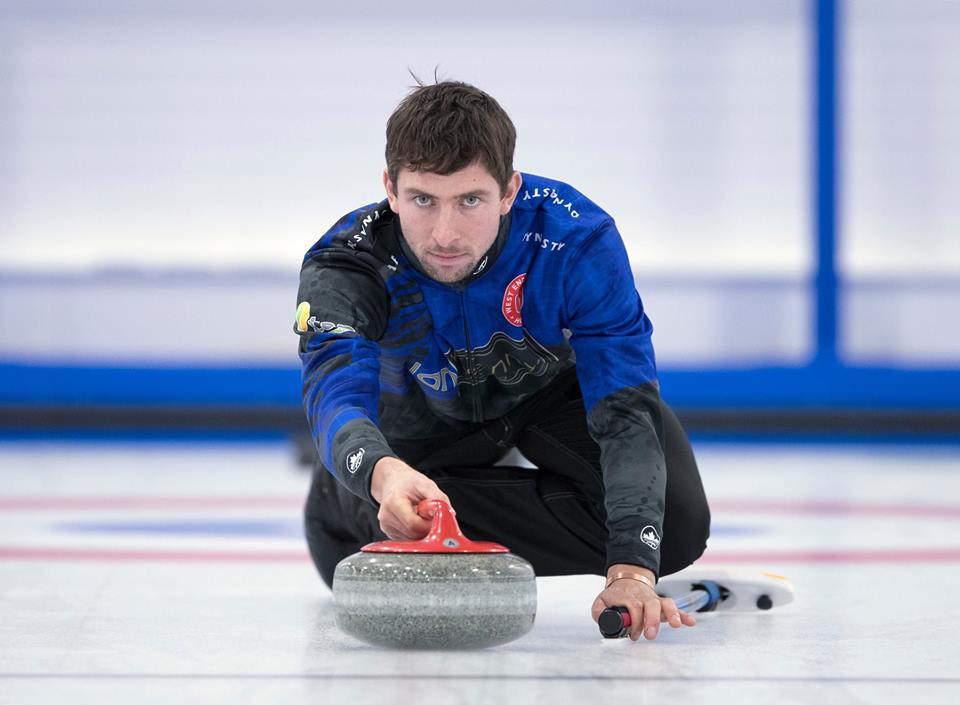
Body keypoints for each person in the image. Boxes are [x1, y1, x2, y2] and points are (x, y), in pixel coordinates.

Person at [295, 80, 710, 641]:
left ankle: (436, 518)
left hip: (541, 398)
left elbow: (625, 408)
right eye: (423, 200)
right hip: (413, 432)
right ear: (389, 189)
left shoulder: (576, 241)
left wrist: (632, 568)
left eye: (470, 200)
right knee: (395, 529)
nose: (445, 235)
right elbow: (334, 394)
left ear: (510, 190)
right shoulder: (347, 263)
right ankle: (344, 498)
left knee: (672, 528)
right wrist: (375, 471)